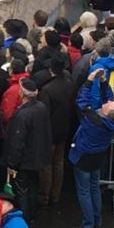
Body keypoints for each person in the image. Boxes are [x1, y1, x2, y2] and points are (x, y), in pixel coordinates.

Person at [69, 68, 114, 228]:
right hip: (98, 156)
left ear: (107, 112)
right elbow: (111, 98)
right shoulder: (113, 120)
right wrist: (103, 82)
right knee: (95, 188)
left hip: (83, 156)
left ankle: (88, 225)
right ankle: (96, 221)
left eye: (108, 105)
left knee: (84, 192)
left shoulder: (93, 120)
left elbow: (82, 101)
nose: (106, 102)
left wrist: (90, 79)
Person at [2, 78, 52, 228]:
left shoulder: (22, 114)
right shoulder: (41, 107)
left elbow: (17, 141)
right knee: (33, 187)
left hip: (24, 160)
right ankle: (32, 215)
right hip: (37, 158)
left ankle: (24, 219)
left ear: (21, 93)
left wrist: (12, 163)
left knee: (22, 192)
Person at [37, 56, 75, 207]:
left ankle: (44, 195)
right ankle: (55, 195)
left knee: (46, 165)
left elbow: (44, 114)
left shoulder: (47, 90)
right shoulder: (70, 84)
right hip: (64, 129)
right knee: (58, 163)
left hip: (50, 131)